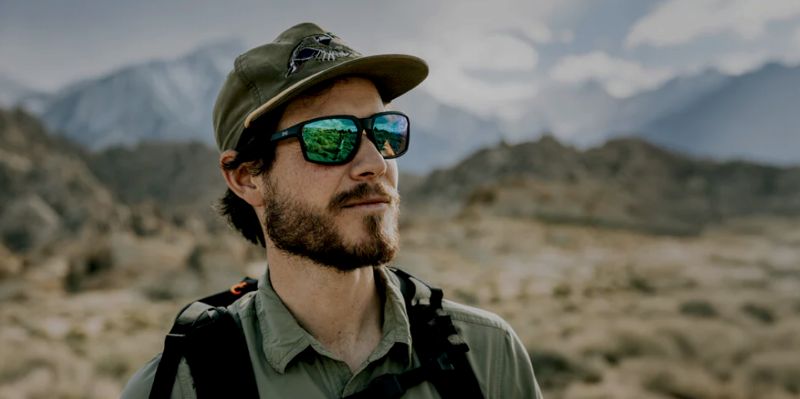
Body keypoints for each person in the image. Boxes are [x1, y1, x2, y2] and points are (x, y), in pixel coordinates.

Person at [121, 22, 542, 399]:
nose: (375, 163)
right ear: (247, 177)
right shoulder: (178, 388)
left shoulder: (487, 358)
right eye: (329, 137)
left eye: (384, 131)